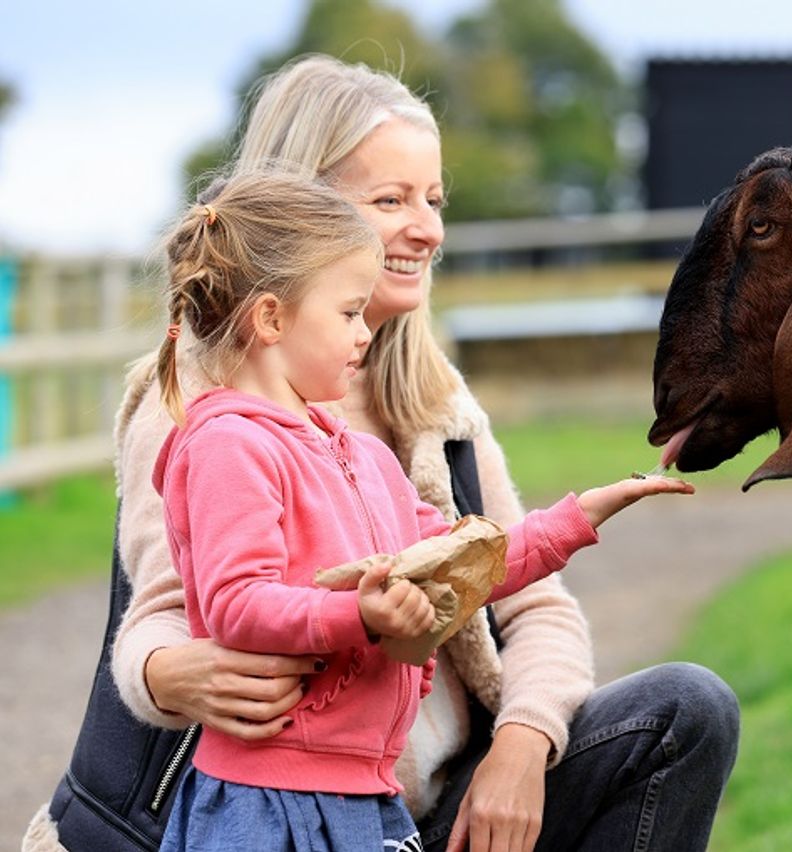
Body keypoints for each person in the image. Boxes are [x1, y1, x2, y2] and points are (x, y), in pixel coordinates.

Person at [25, 54, 740, 852]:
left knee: (686, 711)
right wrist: (169, 672)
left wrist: (522, 744)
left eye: (434, 200)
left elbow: (517, 593)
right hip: (264, 810)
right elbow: (163, 612)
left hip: (410, 813)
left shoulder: (436, 406)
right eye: (391, 200)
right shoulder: (204, 411)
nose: (428, 228)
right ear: (304, 215)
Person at [146, 170, 692, 851]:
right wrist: (361, 616)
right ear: (270, 318)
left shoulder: (369, 460)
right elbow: (235, 604)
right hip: (266, 805)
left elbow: (462, 568)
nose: (363, 334)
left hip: (365, 798)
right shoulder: (229, 444)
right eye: (348, 313)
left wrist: (576, 520)